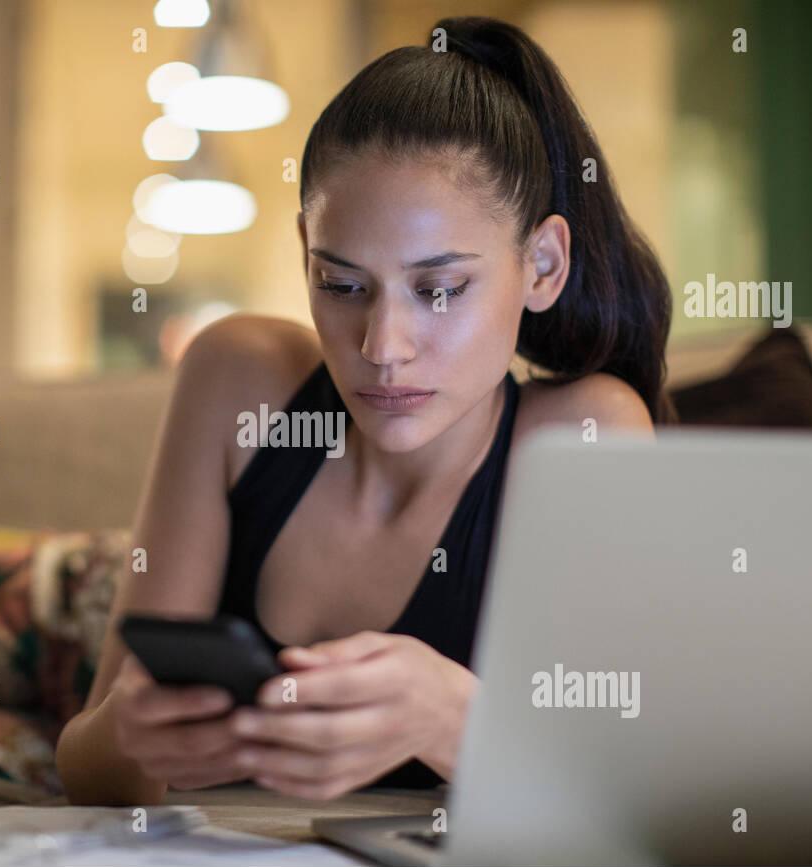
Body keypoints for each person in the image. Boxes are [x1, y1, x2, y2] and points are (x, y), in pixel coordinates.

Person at [57, 15, 672, 804]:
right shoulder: (235, 381)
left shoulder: (587, 436)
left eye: (440, 289)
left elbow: (631, 799)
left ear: (543, 265)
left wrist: (450, 719)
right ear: (304, 252)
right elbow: (87, 763)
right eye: (342, 286)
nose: (383, 345)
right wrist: (134, 735)